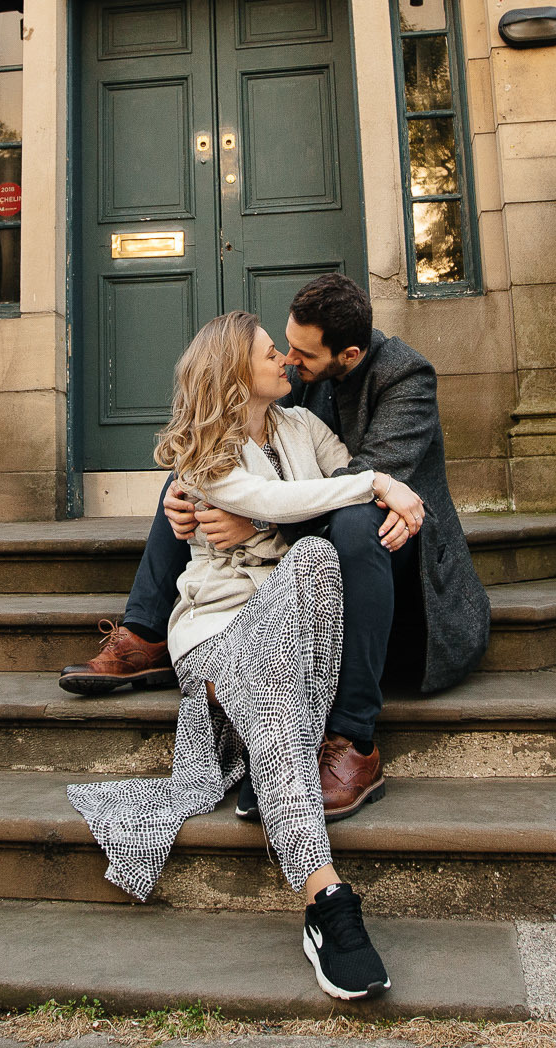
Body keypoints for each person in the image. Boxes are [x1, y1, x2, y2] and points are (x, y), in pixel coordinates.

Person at [66, 310, 426, 1001]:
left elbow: (327, 504)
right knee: (275, 688)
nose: (285, 362)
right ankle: (329, 902)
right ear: (237, 374)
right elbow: (269, 495)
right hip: (215, 633)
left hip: (283, 630)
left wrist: (371, 493)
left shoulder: (303, 429)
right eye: (271, 353)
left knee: (321, 558)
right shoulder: (207, 449)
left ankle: (275, 775)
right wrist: (375, 484)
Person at [61, 273, 490, 820]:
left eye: (300, 353)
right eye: (280, 348)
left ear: (348, 354)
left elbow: (362, 481)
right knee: (183, 485)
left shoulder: (404, 378)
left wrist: (259, 524)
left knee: (357, 521)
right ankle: (145, 634)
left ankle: (355, 739)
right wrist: (193, 498)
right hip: (306, 542)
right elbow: (239, 462)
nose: (288, 360)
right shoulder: (297, 381)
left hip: (396, 550)